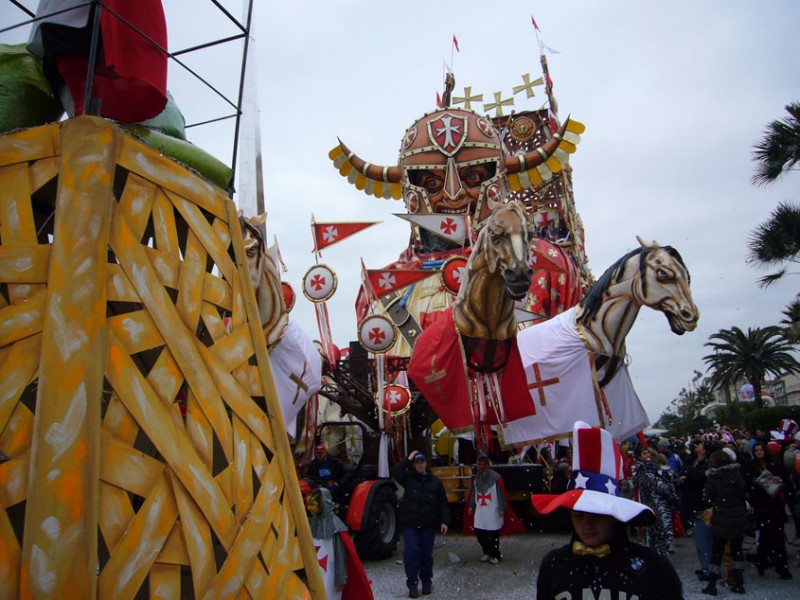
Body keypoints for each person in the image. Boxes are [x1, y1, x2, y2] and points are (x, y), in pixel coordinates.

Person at [534, 421, 684, 600]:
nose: (586, 524)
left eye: (597, 515)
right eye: (579, 515)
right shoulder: (554, 564)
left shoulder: (652, 566)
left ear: (614, 515)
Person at [392, 451, 450, 598]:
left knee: (426, 555)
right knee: (411, 554)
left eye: (421, 462)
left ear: (426, 463)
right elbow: (396, 471)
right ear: (414, 465)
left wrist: (444, 521)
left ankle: (426, 582)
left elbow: (442, 503)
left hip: (428, 525)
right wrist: (408, 458)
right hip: (410, 524)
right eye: (417, 463)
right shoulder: (409, 479)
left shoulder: (436, 482)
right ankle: (412, 585)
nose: (419, 465)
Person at [305, 486, 374, 600]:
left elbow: (340, 555)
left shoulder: (334, 524)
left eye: (312, 504)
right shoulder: (313, 522)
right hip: (317, 572)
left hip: (331, 574)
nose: (309, 508)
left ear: (322, 503)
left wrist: (340, 578)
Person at [702, 449, 750, 595]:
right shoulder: (736, 475)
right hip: (737, 515)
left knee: (717, 551)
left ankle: (712, 583)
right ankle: (739, 582)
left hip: (721, 517)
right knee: (736, 550)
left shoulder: (714, 478)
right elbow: (743, 492)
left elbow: (708, 499)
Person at [744, 441, 793, 579]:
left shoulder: (775, 463)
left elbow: (785, 480)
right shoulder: (751, 466)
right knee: (766, 535)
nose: (759, 452)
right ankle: (763, 560)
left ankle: (780, 566)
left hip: (774, 503)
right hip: (761, 504)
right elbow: (747, 483)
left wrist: (780, 480)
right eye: (756, 450)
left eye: (761, 450)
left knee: (777, 537)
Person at [463, 454, 524, 564]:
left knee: (493, 534)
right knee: (479, 532)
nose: (477, 465)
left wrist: (501, 508)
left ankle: (495, 554)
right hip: (481, 510)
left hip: (493, 509)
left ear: (486, 464)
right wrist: (471, 505)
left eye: (480, 463)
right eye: (477, 463)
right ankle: (486, 552)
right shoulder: (477, 478)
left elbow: (501, 494)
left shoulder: (496, 478)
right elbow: (474, 493)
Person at [679, 437, 715, 581]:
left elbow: (699, 477)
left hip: (701, 505)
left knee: (704, 538)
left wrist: (688, 472)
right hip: (692, 502)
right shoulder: (695, 462)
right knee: (700, 539)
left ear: (705, 450)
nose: (696, 446)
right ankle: (705, 565)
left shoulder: (706, 465)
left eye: (700, 445)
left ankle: (709, 568)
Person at [633, 447, 675, 556]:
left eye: (649, 453)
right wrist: (668, 483)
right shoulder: (644, 472)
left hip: (657, 508)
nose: (648, 456)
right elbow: (662, 487)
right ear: (639, 457)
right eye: (644, 453)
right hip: (655, 508)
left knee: (659, 540)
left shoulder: (655, 469)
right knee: (657, 540)